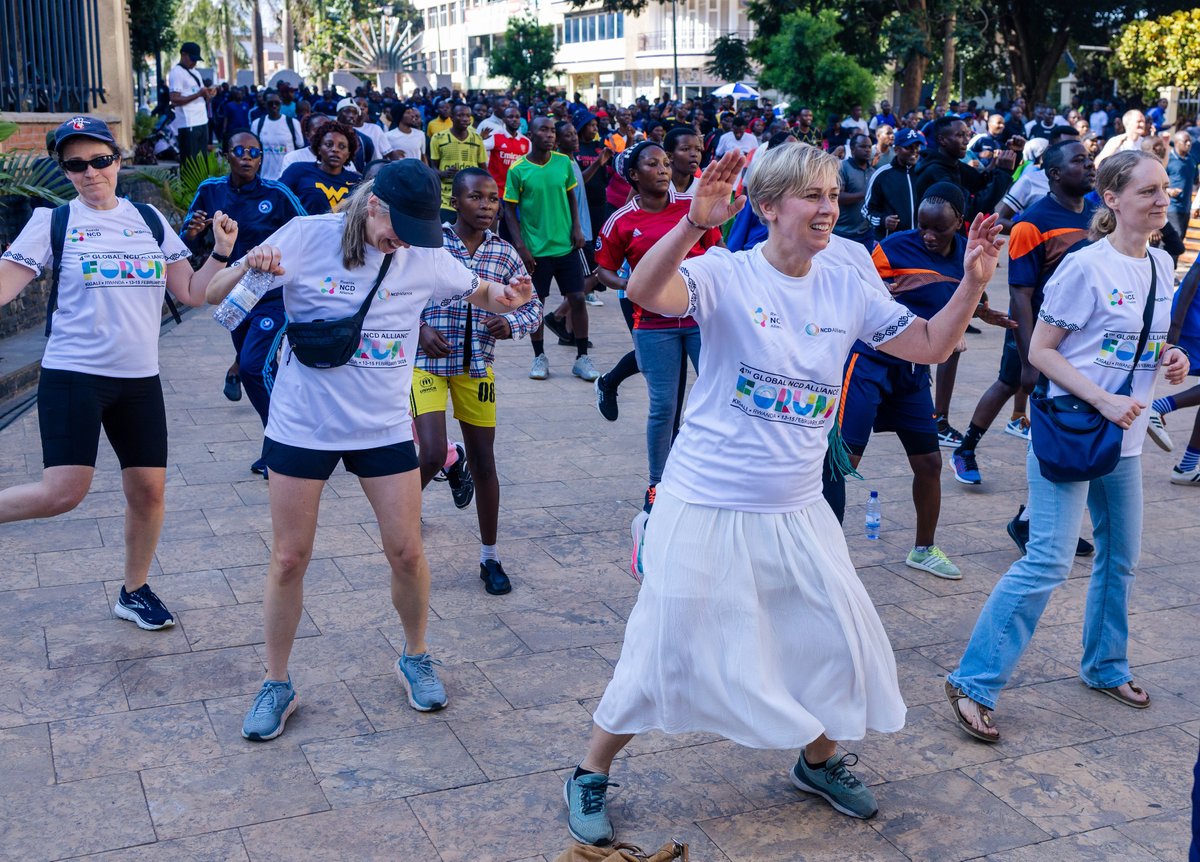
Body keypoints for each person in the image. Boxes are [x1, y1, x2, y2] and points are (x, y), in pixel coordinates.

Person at [563, 144, 1004, 845]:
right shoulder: (725, 273)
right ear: (768, 208)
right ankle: (589, 771)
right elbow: (646, 294)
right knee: (664, 646)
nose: (829, 207)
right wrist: (688, 223)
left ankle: (818, 761)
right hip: (705, 499)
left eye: (833, 193)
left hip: (797, 505)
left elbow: (926, 345)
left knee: (835, 639)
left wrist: (973, 282)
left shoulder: (849, 273)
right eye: (810, 196)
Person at [203, 162, 534, 741]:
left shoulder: (424, 256)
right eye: (396, 226)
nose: (400, 241)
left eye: (414, 231)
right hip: (303, 424)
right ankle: (275, 683)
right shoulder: (307, 236)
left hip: (382, 427)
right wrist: (247, 266)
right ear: (371, 203)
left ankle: (416, 655)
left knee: (407, 552)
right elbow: (211, 296)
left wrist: (504, 297)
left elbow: (478, 290)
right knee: (288, 558)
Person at [945, 149, 1189, 744]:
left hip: (1123, 441)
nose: (1162, 200)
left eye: (1165, 190)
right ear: (1112, 199)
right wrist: (1105, 400)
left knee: (1120, 559)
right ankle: (973, 682)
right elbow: (1042, 352)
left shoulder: (1161, 265)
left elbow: (1135, 348)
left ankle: (1105, 665)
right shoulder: (1085, 266)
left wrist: (1170, 361)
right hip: (1073, 429)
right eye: (1147, 191)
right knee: (1049, 559)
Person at [0, 116, 236, 632]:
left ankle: (134, 590)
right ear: (65, 170)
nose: (90, 173)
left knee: (149, 492)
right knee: (62, 493)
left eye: (100, 160)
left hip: (138, 379)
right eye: (76, 165)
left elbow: (192, 293)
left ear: (118, 160)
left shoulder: (148, 219)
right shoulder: (52, 222)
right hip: (73, 376)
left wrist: (220, 252)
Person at [833, 183, 1014, 580]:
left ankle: (924, 549)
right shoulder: (894, 247)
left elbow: (961, 294)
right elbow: (861, 294)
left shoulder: (970, 252)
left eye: (938, 229)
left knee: (930, 463)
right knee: (844, 463)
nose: (928, 236)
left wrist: (982, 313)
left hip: (914, 374)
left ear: (959, 225)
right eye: (923, 227)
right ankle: (821, 552)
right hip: (870, 364)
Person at [412, 168, 542, 595]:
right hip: (425, 362)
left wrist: (512, 325)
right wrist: (419, 328)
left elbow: (532, 306)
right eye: (476, 198)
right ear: (455, 198)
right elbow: (393, 293)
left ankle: (490, 557)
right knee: (430, 452)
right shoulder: (429, 243)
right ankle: (403, 518)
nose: (486, 206)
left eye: (492, 199)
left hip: (476, 367)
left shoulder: (504, 254)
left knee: (485, 462)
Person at [952, 141, 1098, 508]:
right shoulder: (1033, 223)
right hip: (1034, 327)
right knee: (1009, 382)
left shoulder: (1097, 215)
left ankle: (1039, 514)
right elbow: (1020, 294)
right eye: (1079, 161)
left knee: (1060, 416)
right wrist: (1033, 356)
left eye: (1089, 158)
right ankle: (966, 448)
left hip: (1078, 335)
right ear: (1054, 174)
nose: (1090, 165)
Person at [593, 140, 722, 537]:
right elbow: (603, 270)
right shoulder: (620, 221)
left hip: (702, 319)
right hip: (653, 324)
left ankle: (709, 476)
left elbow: (719, 254)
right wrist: (630, 284)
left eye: (666, 163)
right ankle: (657, 483)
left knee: (715, 397)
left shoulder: (691, 208)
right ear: (634, 175)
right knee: (664, 407)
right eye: (653, 164)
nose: (664, 169)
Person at [182, 129, 307, 474]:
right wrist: (192, 232)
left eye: (255, 152)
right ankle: (291, 439)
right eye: (240, 150)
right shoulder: (210, 191)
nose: (249, 157)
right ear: (226, 154)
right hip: (235, 298)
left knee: (253, 367)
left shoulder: (277, 193)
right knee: (262, 369)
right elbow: (186, 239)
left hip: (274, 295)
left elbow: (307, 231)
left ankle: (280, 451)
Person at [503, 117, 593, 382]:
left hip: (565, 246)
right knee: (536, 304)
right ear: (530, 133)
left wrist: (578, 228)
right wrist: (521, 246)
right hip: (536, 249)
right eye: (544, 130)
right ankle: (539, 356)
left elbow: (571, 196)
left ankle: (581, 358)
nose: (550, 135)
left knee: (577, 298)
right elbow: (508, 209)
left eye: (553, 131)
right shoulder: (518, 169)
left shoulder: (563, 162)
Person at [280, 120, 362, 214]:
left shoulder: (357, 182)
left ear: (348, 154)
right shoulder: (297, 171)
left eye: (342, 146)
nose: (335, 149)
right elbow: (277, 200)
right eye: (328, 144)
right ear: (318, 149)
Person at [430, 103, 487, 224]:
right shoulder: (438, 138)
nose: (465, 119)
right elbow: (433, 168)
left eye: (468, 115)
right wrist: (443, 173)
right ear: (451, 117)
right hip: (446, 199)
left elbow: (484, 170)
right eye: (460, 115)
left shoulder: (477, 139)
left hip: (472, 198)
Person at [864, 128, 924, 239]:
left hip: (920, 241)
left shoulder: (924, 173)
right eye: (908, 148)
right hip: (891, 243)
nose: (914, 151)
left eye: (917, 147)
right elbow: (866, 210)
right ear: (896, 150)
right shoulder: (882, 175)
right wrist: (883, 220)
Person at [168, 42, 214, 169]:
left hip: (201, 121)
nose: (194, 63)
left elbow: (200, 93)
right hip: (188, 123)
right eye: (192, 59)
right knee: (191, 165)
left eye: (196, 60)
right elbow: (174, 99)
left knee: (202, 163)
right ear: (183, 55)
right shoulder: (177, 72)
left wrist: (208, 94)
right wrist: (199, 94)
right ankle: (189, 189)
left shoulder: (195, 72)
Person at [834, 134, 875, 248]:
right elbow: (837, 197)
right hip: (843, 232)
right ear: (852, 149)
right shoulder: (842, 167)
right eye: (863, 146)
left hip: (866, 232)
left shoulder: (872, 171)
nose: (867, 150)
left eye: (869, 147)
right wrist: (865, 194)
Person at [253, 91, 303, 181]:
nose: (274, 106)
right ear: (264, 104)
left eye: (277, 103)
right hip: (265, 179)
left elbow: (300, 146)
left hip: (288, 179)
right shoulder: (257, 124)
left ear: (281, 103)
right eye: (270, 103)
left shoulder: (293, 123)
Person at [1166, 130, 1199, 243]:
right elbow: (1156, 182)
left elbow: (1196, 180)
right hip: (1171, 208)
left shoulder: (1191, 160)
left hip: (1186, 208)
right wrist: (1168, 190)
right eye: (1185, 141)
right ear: (1176, 143)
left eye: (1190, 141)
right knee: (1175, 242)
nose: (1189, 143)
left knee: (1179, 240)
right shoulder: (1168, 159)